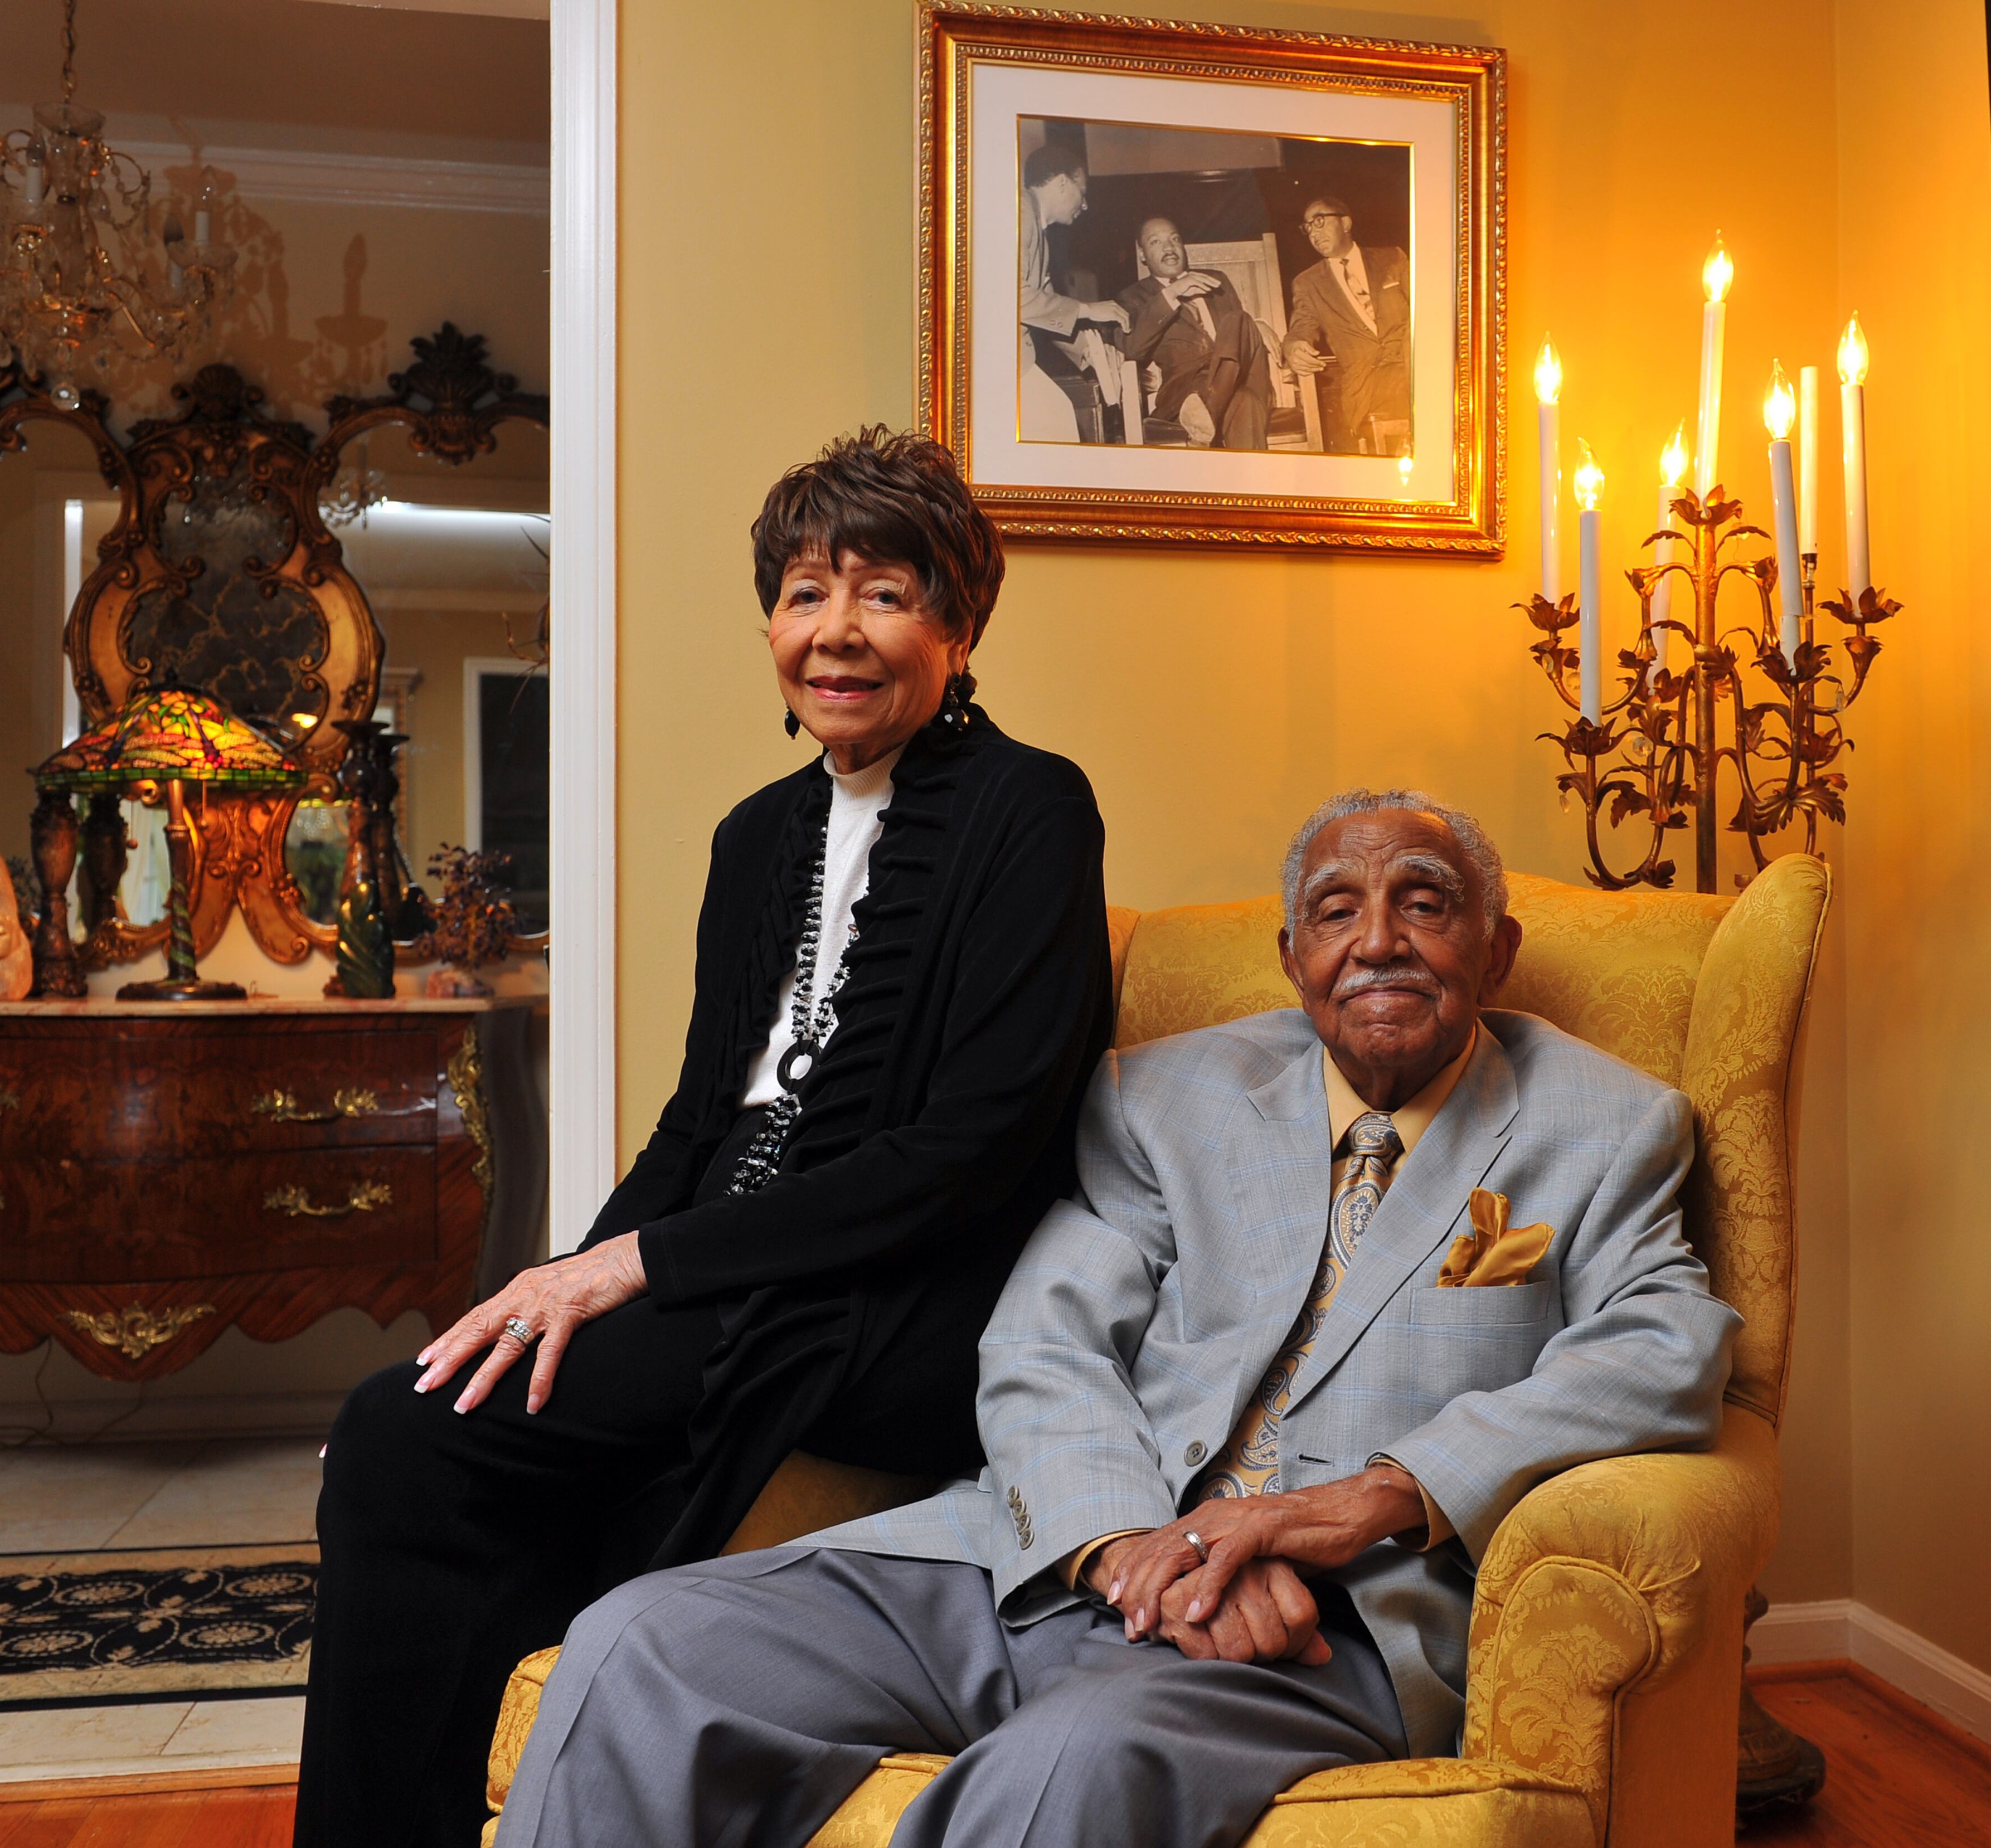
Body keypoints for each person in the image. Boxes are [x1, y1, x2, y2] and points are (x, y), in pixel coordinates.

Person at [498, 788, 1742, 1848]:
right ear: (1291, 953)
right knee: (636, 1644)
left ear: (1498, 947)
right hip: (1042, 1558)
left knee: (1062, 1774)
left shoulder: (1606, 1124)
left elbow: (1665, 1347)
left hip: (1327, 1620)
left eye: (1425, 902)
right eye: (1337, 910)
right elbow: (1046, 1341)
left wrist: (1363, 1498)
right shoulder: (1163, 1096)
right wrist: (1121, 1542)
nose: (1380, 941)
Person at [295, 428, 1115, 1848]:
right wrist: (566, 1273)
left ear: (959, 627)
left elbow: (971, 1149)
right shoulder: (757, 835)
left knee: (397, 1430)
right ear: (770, 624)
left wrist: (642, 1271)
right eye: (806, 592)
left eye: (884, 593)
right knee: (438, 1400)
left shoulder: (1029, 808)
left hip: (904, 1301)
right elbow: (697, 1117)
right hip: (721, 1272)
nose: (836, 633)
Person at [1114, 216, 1273, 449]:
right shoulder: (1134, 298)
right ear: (1142, 254)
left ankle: (1210, 409)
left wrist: (1256, 323)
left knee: (1240, 319)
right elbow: (1132, 347)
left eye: (1174, 239)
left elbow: (1238, 335)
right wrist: (1172, 293)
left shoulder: (1216, 280)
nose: (1169, 247)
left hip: (1242, 378)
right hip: (1188, 394)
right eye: (1156, 242)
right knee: (1246, 402)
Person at [1018, 143, 1130, 444]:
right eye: (1083, 193)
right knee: (1059, 420)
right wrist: (1090, 309)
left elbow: (1047, 311)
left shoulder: (1037, 230)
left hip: (1015, 363)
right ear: (1063, 184)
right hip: (996, 366)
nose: (1085, 206)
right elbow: (1015, 299)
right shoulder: (1019, 213)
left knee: (1058, 421)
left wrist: (1088, 352)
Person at [1283, 196, 1413, 454]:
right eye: (1308, 228)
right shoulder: (1308, 283)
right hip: (1367, 385)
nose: (1313, 233)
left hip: (1414, 366)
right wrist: (1295, 347)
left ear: (1345, 223)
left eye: (1319, 221)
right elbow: (1301, 327)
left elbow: (1430, 308)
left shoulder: (1392, 258)